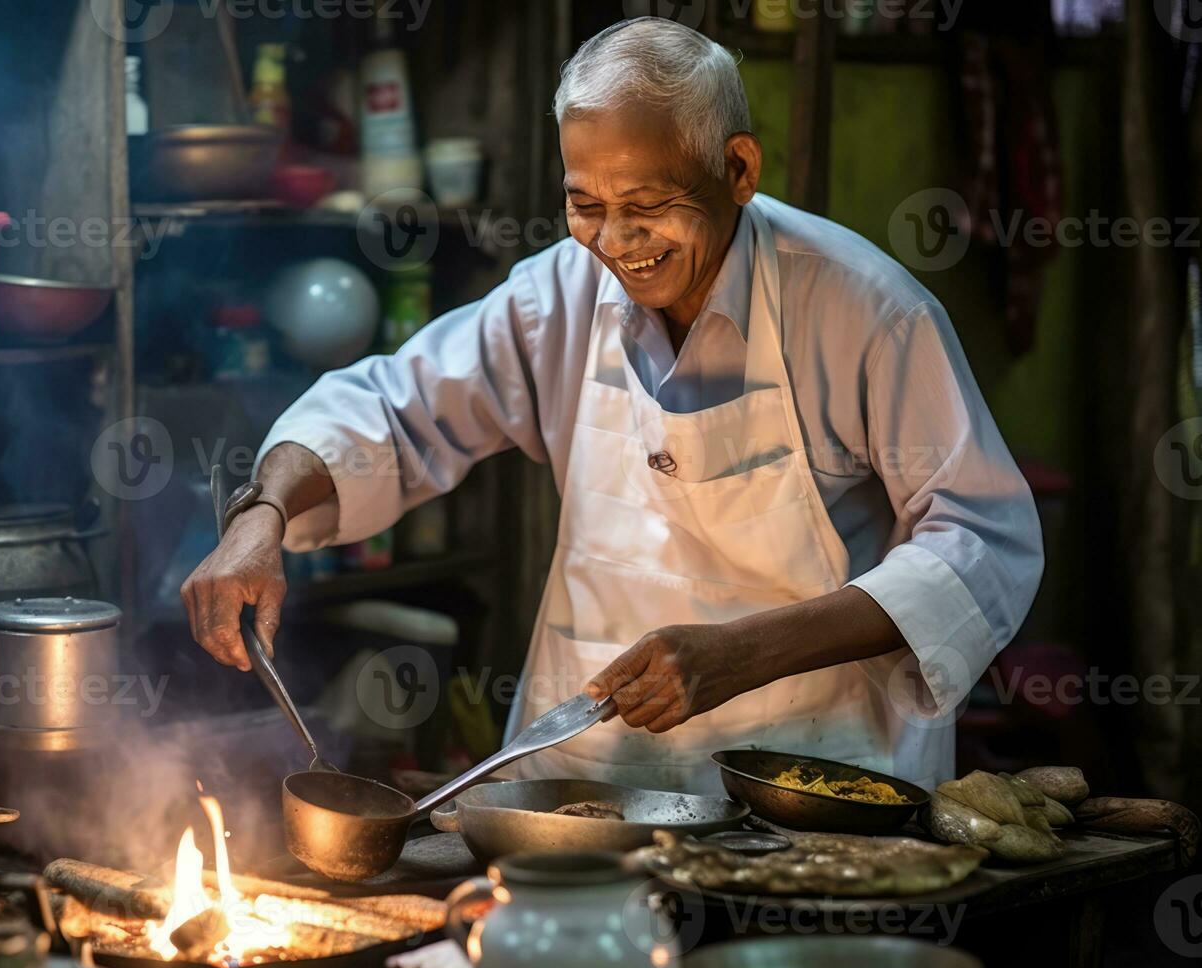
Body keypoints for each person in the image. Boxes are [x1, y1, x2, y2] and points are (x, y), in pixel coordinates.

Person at [182, 17, 1044, 792]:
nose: (616, 242)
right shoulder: (560, 293)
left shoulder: (865, 310)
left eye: (649, 206)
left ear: (738, 169)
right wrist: (262, 513)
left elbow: (978, 542)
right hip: (584, 792)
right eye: (584, 204)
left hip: (809, 790)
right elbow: (395, 407)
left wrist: (745, 652)